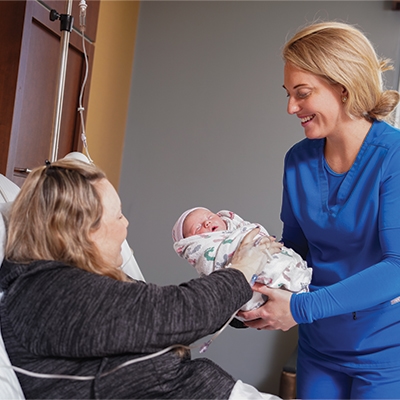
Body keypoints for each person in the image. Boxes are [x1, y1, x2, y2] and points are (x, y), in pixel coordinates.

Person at [0, 158, 280, 399]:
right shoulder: (51, 295)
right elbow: (176, 313)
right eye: (118, 215)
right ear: (82, 232)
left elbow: (153, 315)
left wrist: (245, 303)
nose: (126, 225)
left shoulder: (64, 282)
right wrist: (241, 271)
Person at [239, 21, 400, 399]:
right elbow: (294, 250)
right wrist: (253, 290)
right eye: (288, 94)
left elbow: (397, 268)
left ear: (342, 88)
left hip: (386, 353)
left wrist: (300, 309)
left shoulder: (393, 157)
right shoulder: (298, 160)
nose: (291, 107)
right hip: (319, 349)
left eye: (302, 93)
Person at [172, 207, 312, 312]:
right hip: (265, 293)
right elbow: (216, 277)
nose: (207, 223)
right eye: (197, 228)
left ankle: (297, 284)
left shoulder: (238, 228)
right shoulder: (207, 250)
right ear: (191, 243)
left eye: (209, 216)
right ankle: (294, 286)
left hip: (310, 293)